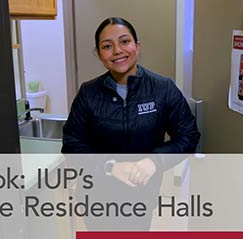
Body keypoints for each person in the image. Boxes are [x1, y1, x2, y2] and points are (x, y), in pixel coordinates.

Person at [61, 17, 200, 230]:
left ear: (137, 45)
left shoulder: (163, 89)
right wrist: (110, 167)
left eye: (125, 41)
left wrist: (155, 161)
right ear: (100, 54)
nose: (117, 50)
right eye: (107, 46)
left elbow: (188, 135)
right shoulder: (88, 93)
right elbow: (72, 145)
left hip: (141, 195)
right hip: (97, 197)